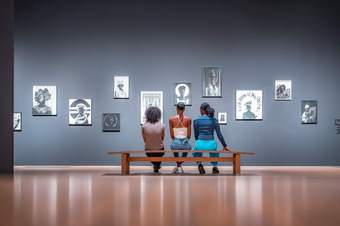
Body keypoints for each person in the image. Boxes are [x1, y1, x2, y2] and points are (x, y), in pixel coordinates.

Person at [193, 103, 230, 174]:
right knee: (214, 149)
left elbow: (196, 135)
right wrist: (224, 146)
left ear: (201, 110)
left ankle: (199, 164)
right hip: (211, 144)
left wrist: (199, 142)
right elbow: (219, 135)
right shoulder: (214, 120)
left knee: (196, 150)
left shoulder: (196, 120)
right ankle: (215, 166)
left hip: (200, 143)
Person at [169, 102, 192, 174]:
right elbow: (189, 135)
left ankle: (178, 165)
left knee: (173, 146)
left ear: (176, 109)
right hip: (185, 143)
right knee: (188, 147)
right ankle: (179, 165)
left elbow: (172, 135)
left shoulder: (171, 119)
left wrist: (176, 140)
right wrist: (184, 140)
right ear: (184, 109)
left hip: (175, 143)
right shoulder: (188, 119)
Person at [142, 106, 165, 173]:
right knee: (160, 150)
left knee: (150, 153)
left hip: (148, 150)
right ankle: (157, 165)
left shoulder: (144, 126)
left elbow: (144, 139)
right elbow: (162, 138)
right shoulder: (162, 125)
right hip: (159, 150)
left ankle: (156, 165)